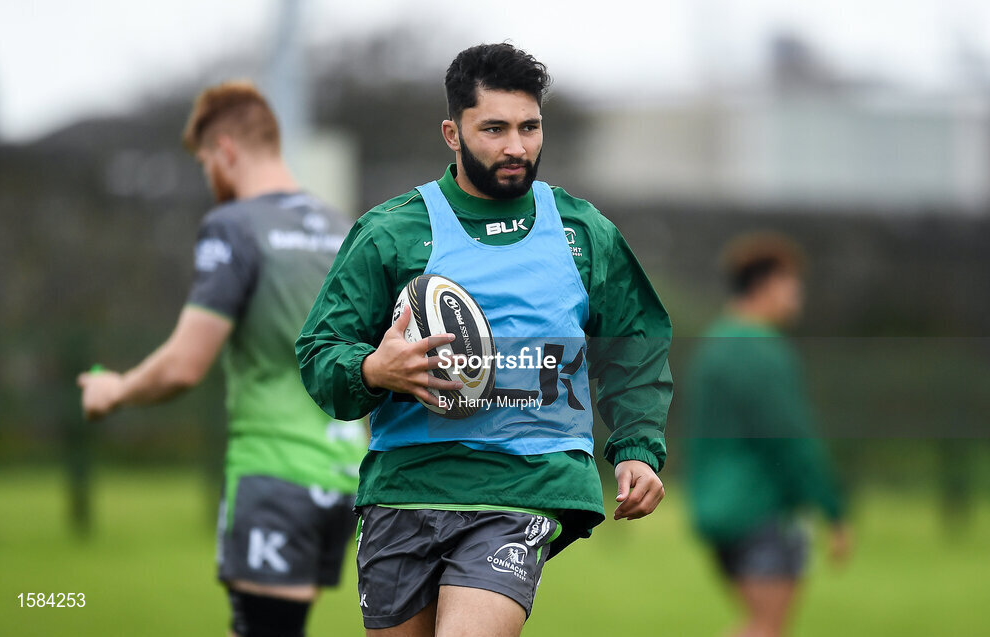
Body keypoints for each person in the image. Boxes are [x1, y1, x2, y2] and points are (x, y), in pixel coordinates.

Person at [296, 43, 672, 636]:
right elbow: (320, 353)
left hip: (524, 488)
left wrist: (637, 445)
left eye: (529, 127)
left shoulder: (581, 232)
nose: (516, 147)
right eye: (494, 128)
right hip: (406, 488)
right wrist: (374, 371)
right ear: (452, 131)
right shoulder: (391, 233)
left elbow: (636, 341)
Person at [77, 81, 366, 637]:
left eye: (206, 162)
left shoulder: (235, 227)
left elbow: (185, 364)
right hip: (344, 479)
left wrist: (116, 389)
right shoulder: (344, 230)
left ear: (227, 150)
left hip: (273, 477)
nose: (209, 178)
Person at [685, 232, 851, 637]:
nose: (798, 297)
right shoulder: (763, 351)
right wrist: (833, 509)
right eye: (794, 286)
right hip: (761, 510)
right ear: (769, 286)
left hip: (717, 508)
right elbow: (792, 440)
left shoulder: (714, 345)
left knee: (758, 625)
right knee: (766, 629)